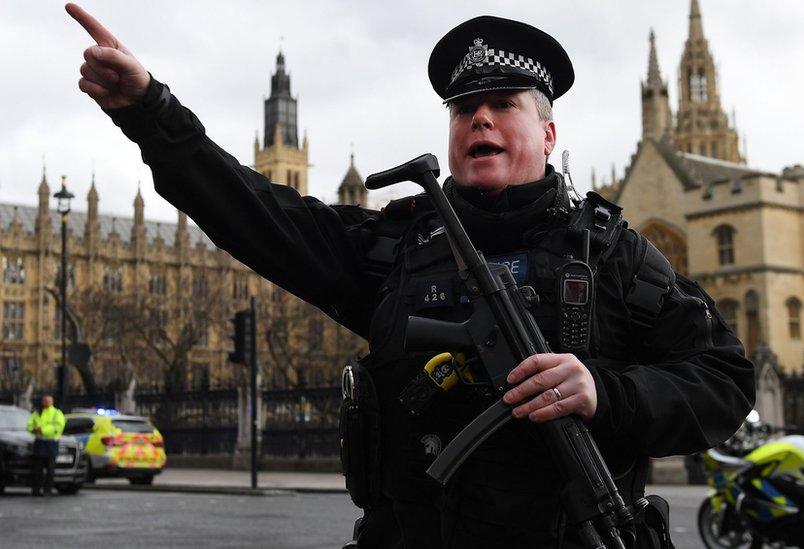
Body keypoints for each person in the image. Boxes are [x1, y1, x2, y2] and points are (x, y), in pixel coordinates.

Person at [66, 5, 755, 547]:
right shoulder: (396, 244)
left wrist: (607, 392)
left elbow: (725, 378)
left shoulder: (613, 254)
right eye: (463, 108)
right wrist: (150, 112)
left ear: (547, 134)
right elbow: (256, 216)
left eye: (505, 102)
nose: (478, 116)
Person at [26, 394, 66, 497]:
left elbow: (58, 427)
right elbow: (29, 425)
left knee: (50, 469)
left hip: (51, 443)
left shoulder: (57, 413)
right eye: (45, 400)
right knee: (37, 469)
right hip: (39, 443)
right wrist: (33, 429)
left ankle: (47, 490)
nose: (46, 402)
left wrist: (42, 430)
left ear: (52, 402)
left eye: (48, 401)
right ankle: (36, 490)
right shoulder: (37, 413)